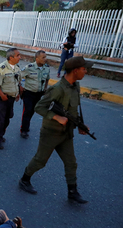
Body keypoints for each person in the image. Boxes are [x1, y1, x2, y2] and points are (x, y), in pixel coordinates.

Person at [18, 56, 93, 204]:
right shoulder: (57, 89)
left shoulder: (75, 87)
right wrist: (56, 117)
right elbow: (39, 107)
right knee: (40, 161)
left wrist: (80, 125)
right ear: (75, 70)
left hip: (66, 134)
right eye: (84, 69)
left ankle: (72, 191)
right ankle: (24, 180)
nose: (86, 71)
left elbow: (73, 110)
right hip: (51, 133)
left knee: (71, 162)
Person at [0, 48, 22, 149]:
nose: (20, 57)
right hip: (2, 98)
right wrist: (2, 95)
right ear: (11, 57)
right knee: (0, 119)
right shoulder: (2, 68)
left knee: (8, 119)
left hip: (11, 98)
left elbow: (17, 81)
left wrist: (17, 93)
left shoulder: (17, 68)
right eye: (17, 55)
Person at [20, 50, 50, 139]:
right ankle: (24, 130)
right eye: (43, 57)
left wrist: (45, 88)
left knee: (33, 110)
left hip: (39, 93)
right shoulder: (29, 67)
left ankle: (26, 123)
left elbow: (47, 78)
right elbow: (18, 76)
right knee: (27, 111)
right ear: (37, 58)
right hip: (28, 93)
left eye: (45, 57)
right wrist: (20, 87)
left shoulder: (46, 68)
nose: (45, 59)